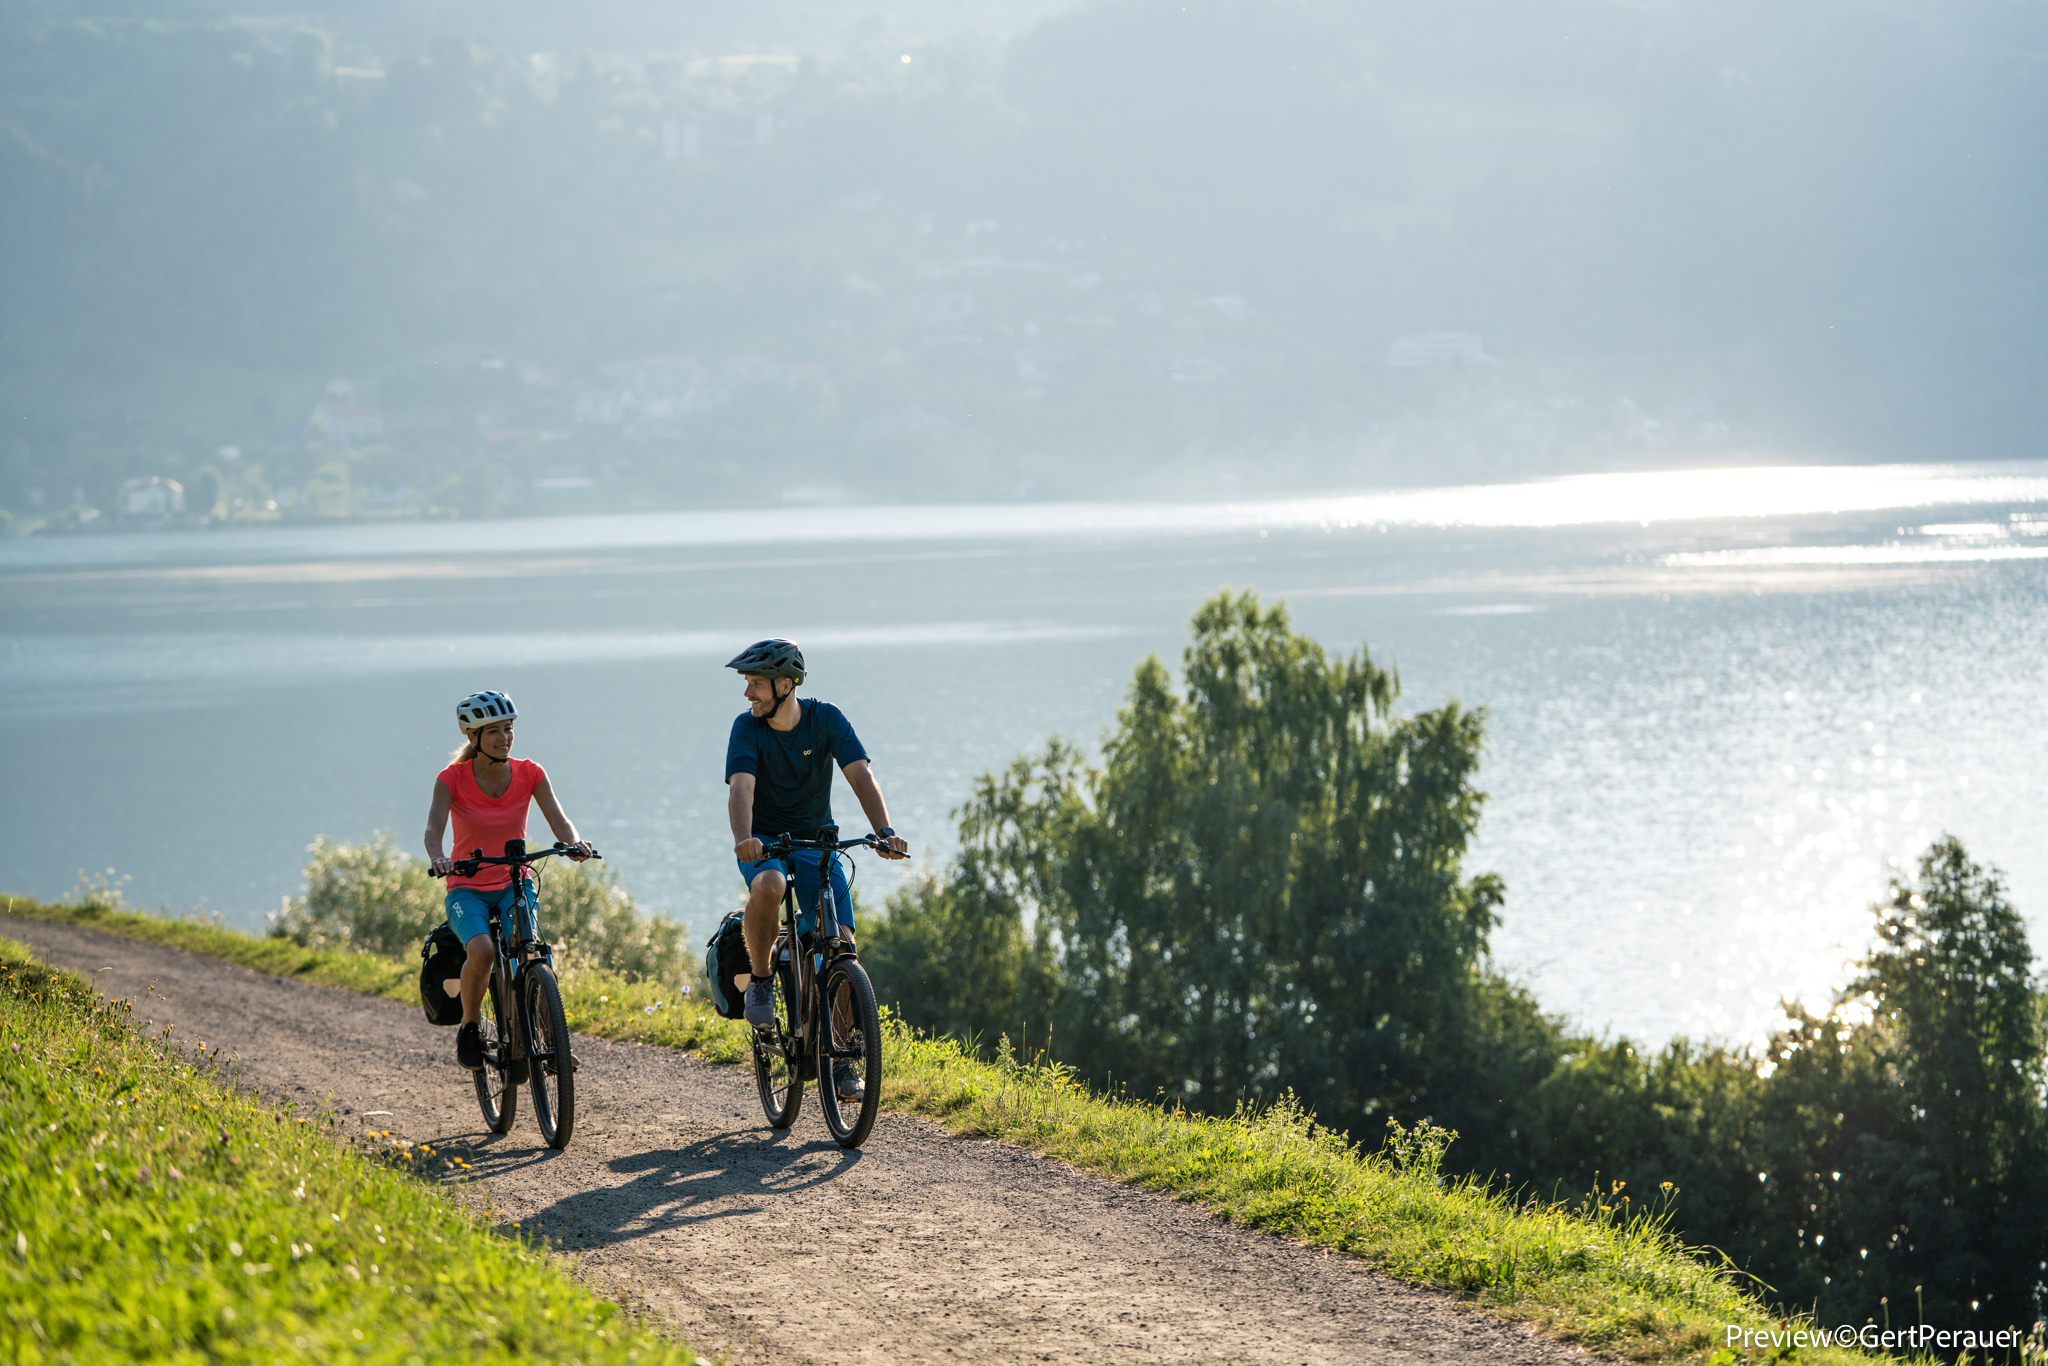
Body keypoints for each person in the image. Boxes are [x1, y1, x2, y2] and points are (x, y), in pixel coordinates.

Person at [725, 639, 908, 1099]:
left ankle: (844, 1059)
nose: (749, 693)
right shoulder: (746, 729)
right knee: (767, 884)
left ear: (787, 685)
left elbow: (860, 774)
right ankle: (762, 983)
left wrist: (884, 831)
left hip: (817, 844)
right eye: (747, 683)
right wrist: (744, 839)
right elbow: (741, 791)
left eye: (757, 684)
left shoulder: (826, 719)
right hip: (765, 844)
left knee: (842, 946)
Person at [424, 690, 594, 1070]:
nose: (505, 737)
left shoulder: (531, 773)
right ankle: (469, 1027)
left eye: (509, 728)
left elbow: (560, 821)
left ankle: (551, 1038)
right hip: (466, 887)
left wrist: (573, 843)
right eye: (494, 731)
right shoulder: (450, 779)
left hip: (514, 881)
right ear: (473, 738)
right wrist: (440, 860)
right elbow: (433, 830)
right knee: (483, 951)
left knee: (529, 948)